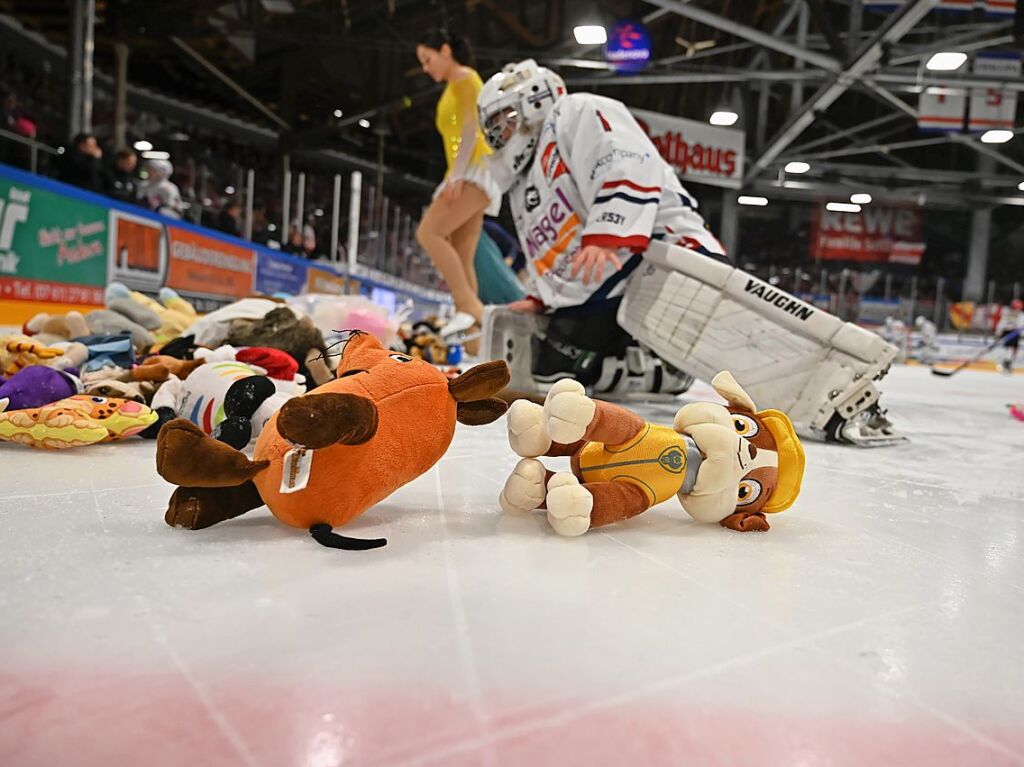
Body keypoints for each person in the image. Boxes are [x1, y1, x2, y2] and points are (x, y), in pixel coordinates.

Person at [477, 60, 902, 445]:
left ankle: (844, 391)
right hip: (599, 289)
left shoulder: (577, 112)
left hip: (660, 255)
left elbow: (624, 162)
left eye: (505, 118)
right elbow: (550, 243)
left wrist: (609, 232)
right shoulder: (522, 181)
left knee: (743, 352)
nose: (500, 133)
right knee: (556, 371)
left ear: (535, 99)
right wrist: (545, 295)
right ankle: (664, 370)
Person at [414, 29, 502, 346]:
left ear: (446, 50)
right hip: (466, 170)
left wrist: (458, 174)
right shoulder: (455, 84)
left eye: (428, 59)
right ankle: (474, 341)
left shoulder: (465, 78)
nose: (426, 68)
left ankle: (472, 309)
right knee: (462, 253)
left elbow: (470, 128)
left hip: (472, 170)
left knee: (429, 233)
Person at [996, 299, 1024, 374]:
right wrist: (999, 331)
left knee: (1012, 349)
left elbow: (1021, 325)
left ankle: (1008, 363)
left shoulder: (1019, 314)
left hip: (1014, 333)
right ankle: (1006, 363)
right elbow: (1002, 322)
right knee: (1009, 348)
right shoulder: (1008, 313)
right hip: (1009, 332)